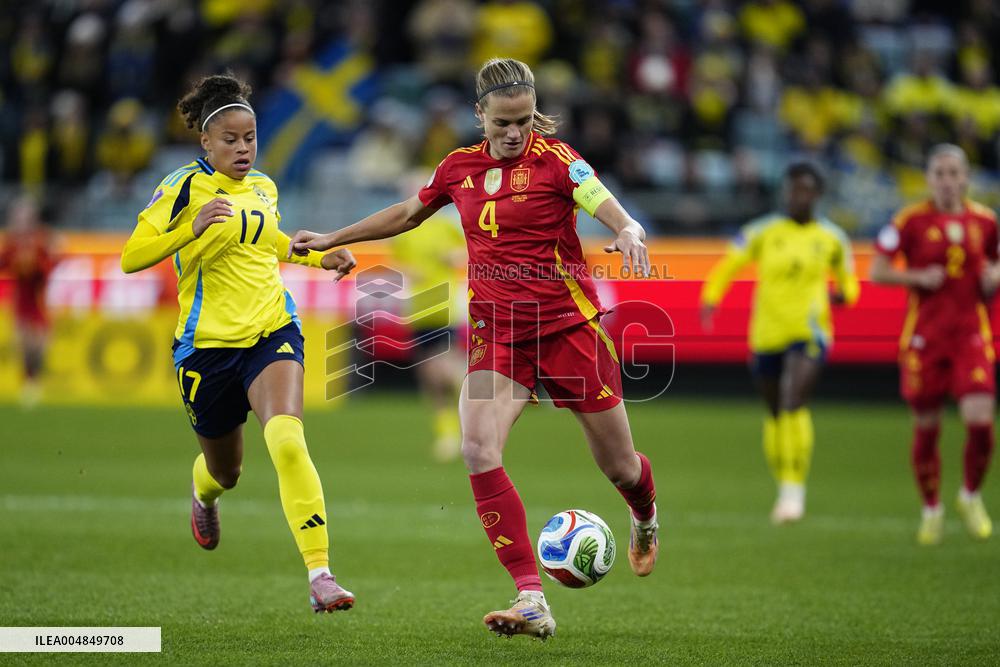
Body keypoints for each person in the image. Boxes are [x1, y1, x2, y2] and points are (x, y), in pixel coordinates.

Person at [289, 57, 660, 639]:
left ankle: (644, 515)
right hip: (499, 334)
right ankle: (531, 597)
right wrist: (335, 236)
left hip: (568, 328)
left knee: (620, 466)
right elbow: (409, 212)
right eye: (502, 124)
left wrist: (629, 227)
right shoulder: (458, 168)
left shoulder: (557, 160)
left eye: (524, 122)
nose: (514, 134)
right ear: (479, 115)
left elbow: (601, 200)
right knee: (477, 447)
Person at [119, 73, 358, 612]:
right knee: (227, 471)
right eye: (231, 139)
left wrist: (322, 257)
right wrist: (191, 228)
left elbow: (269, 241)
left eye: (250, 138)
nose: (243, 149)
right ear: (206, 141)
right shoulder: (182, 187)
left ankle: (320, 575)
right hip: (205, 350)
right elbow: (132, 256)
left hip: (271, 332)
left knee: (288, 441)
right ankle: (203, 494)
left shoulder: (264, 188)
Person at [701, 162, 859, 524]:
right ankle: (783, 484)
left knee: (793, 401)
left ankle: (794, 490)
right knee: (774, 411)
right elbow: (729, 264)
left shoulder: (833, 238)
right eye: (791, 189)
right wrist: (711, 298)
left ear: (817, 194)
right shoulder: (763, 231)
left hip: (810, 332)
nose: (796, 196)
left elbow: (849, 283)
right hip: (766, 334)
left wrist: (843, 296)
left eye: (804, 189)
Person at [871, 144, 997, 545]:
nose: (947, 180)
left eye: (953, 173)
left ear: (965, 178)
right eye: (939, 173)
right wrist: (916, 277)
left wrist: (993, 277)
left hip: (971, 334)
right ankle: (931, 509)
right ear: (929, 178)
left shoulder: (986, 221)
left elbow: (994, 262)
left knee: (981, 421)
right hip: (924, 338)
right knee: (927, 426)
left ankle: (970, 495)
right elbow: (878, 271)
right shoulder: (910, 221)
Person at [389, 212, 467, 462]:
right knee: (428, 375)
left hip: (442, 304)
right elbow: (398, 261)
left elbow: (466, 252)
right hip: (418, 308)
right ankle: (447, 432)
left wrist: (452, 256)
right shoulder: (405, 229)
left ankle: (471, 413)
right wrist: (410, 270)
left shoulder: (446, 226)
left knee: (443, 366)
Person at [0, 195, 55, 407]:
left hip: (38, 298)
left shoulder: (41, 240)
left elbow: (48, 266)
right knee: (24, 342)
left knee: (40, 344)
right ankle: (28, 383)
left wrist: (37, 264)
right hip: (21, 299)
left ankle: (35, 379)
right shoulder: (12, 242)